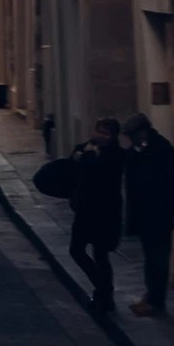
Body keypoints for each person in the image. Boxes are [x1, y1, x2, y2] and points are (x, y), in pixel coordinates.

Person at [36, 119, 123, 316]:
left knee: (101, 255)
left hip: (105, 213)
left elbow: (100, 172)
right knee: (76, 250)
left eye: (106, 133)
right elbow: (72, 170)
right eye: (99, 131)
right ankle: (103, 290)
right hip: (85, 211)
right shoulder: (84, 149)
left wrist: (86, 158)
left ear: (113, 137)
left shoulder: (116, 155)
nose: (101, 136)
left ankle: (104, 296)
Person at [122, 113, 174, 319]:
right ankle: (151, 296)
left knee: (158, 258)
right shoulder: (135, 152)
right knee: (151, 257)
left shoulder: (162, 150)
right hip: (144, 215)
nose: (131, 139)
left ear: (143, 131)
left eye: (133, 135)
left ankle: (156, 300)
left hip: (160, 215)